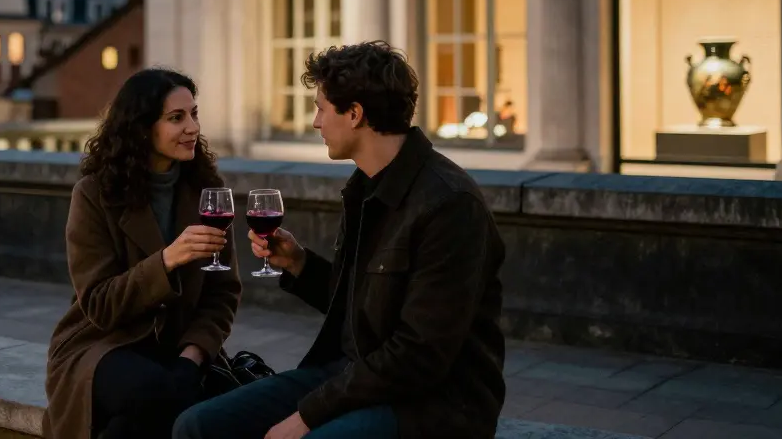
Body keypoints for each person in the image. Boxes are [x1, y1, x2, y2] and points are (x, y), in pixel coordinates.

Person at [174, 41, 506, 439]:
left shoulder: (450, 204)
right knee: (197, 425)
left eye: (320, 107)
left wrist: (308, 415)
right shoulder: (364, 185)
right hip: (353, 374)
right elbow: (364, 308)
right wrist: (300, 264)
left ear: (354, 114)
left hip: (434, 402)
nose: (315, 122)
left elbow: (419, 355)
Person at [44, 68, 243, 439]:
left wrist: (192, 358)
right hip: (102, 344)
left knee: (149, 415)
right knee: (157, 395)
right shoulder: (94, 194)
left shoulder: (208, 191)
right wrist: (167, 261)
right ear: (141, 127)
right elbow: (100, 304)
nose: (193, 128)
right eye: (176, 118)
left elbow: (222, 294)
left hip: (178, 349)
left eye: (194, 114)